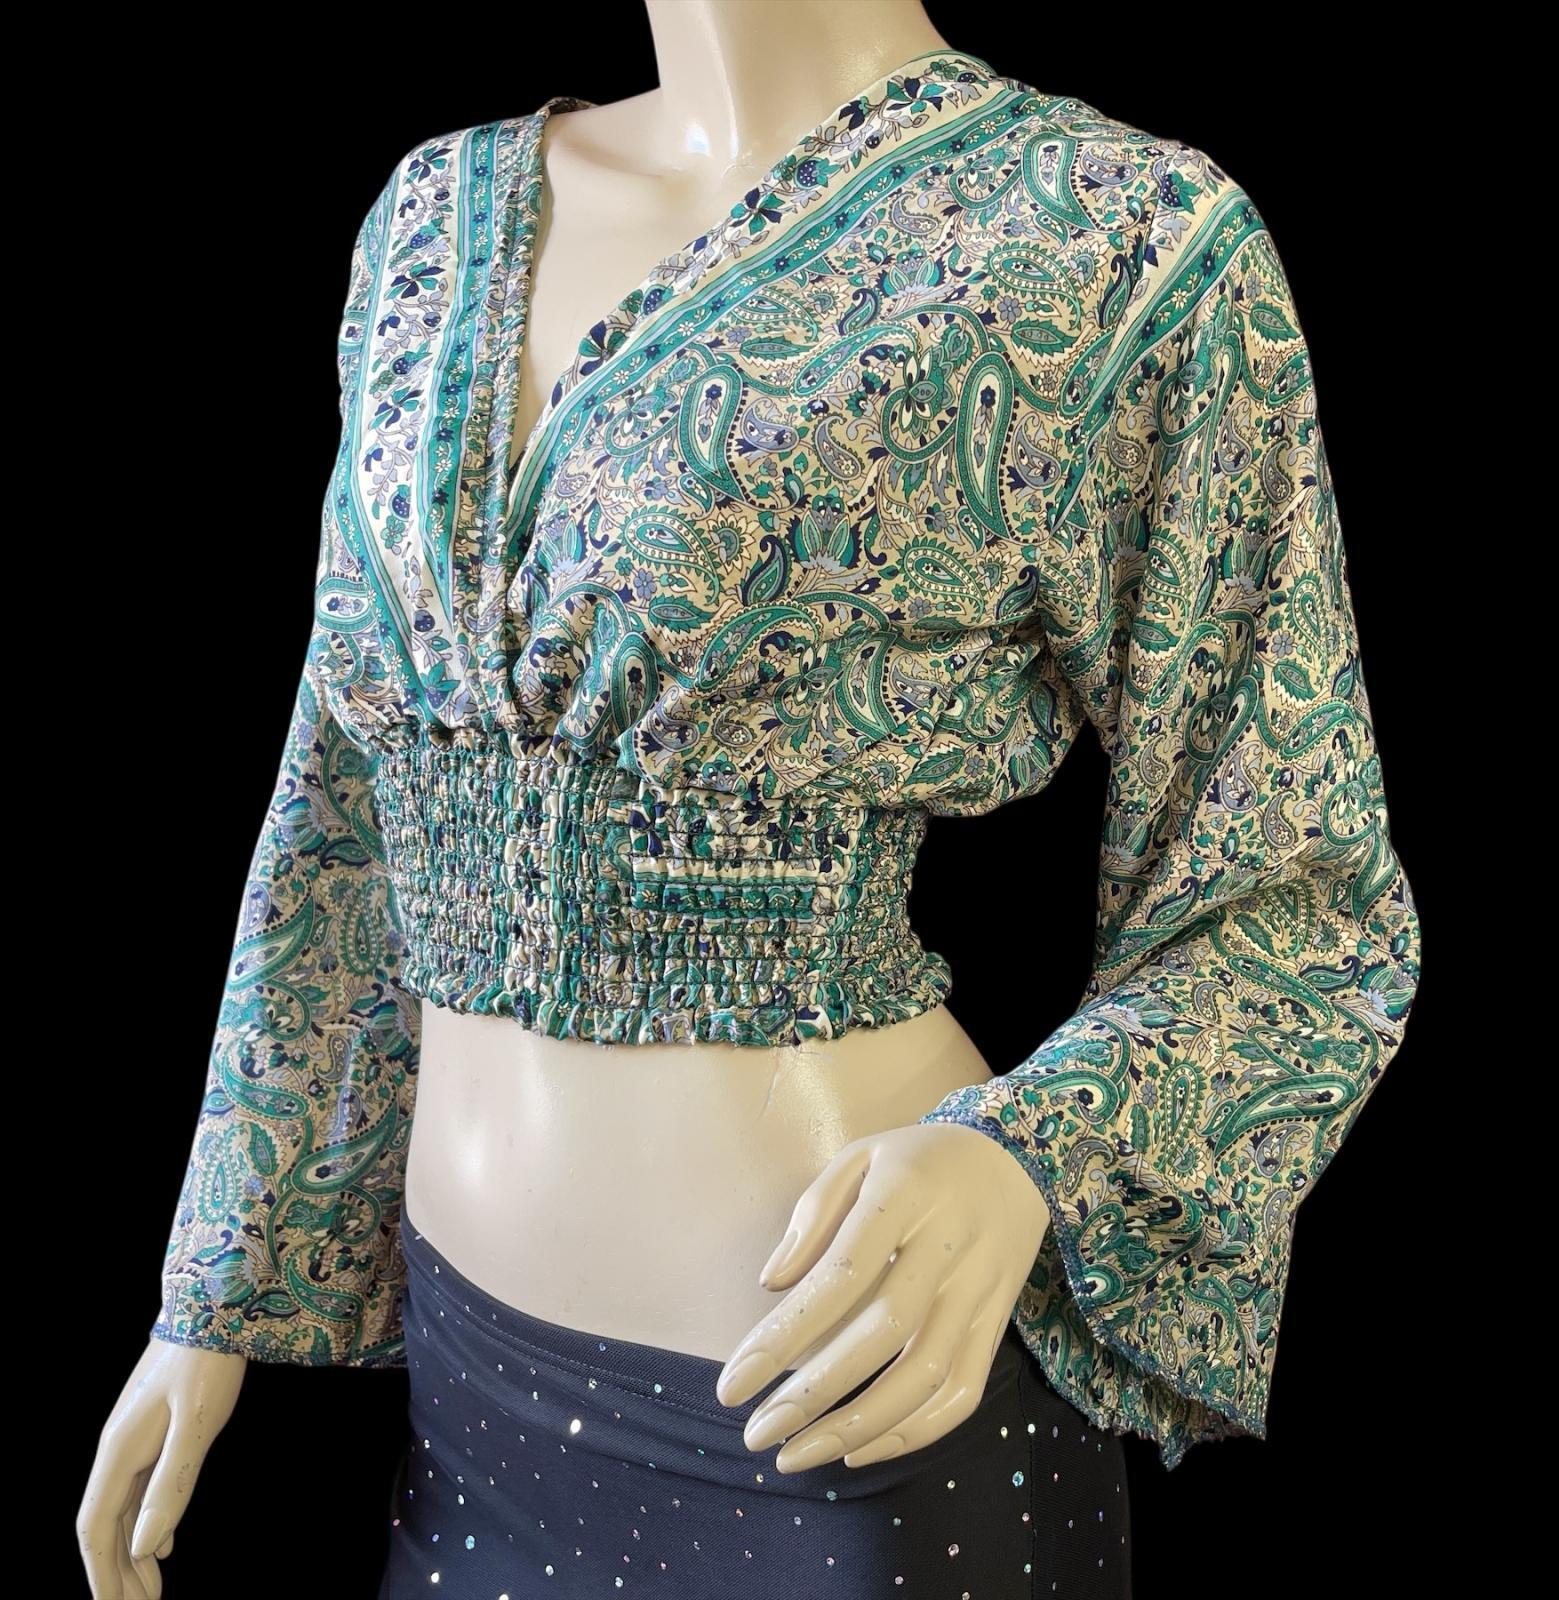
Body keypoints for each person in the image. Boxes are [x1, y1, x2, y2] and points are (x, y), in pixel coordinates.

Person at [77, 3, 1422, 1595]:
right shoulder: (433, 213)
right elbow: (346, 800)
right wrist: (213, 1287)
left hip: (837, 1409)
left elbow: (1301, 898)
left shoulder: (1111, 236)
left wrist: (1027, 1158)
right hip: (465, 1393)